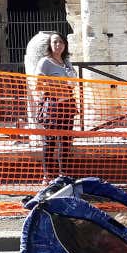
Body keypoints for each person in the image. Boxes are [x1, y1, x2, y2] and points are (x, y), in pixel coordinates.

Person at [36, 32, 76, 183]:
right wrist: (56, 86)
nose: (58, 45)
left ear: (65, 44)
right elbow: (38, 84)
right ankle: (48, 176)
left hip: (68, 105)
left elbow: (73, 81)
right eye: (54, 42)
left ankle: (63, 175)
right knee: (50, 141)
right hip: (53, 106)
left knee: (66, 141)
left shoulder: (66, 61)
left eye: (60, 42)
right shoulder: (45, 62)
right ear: (50, 45)